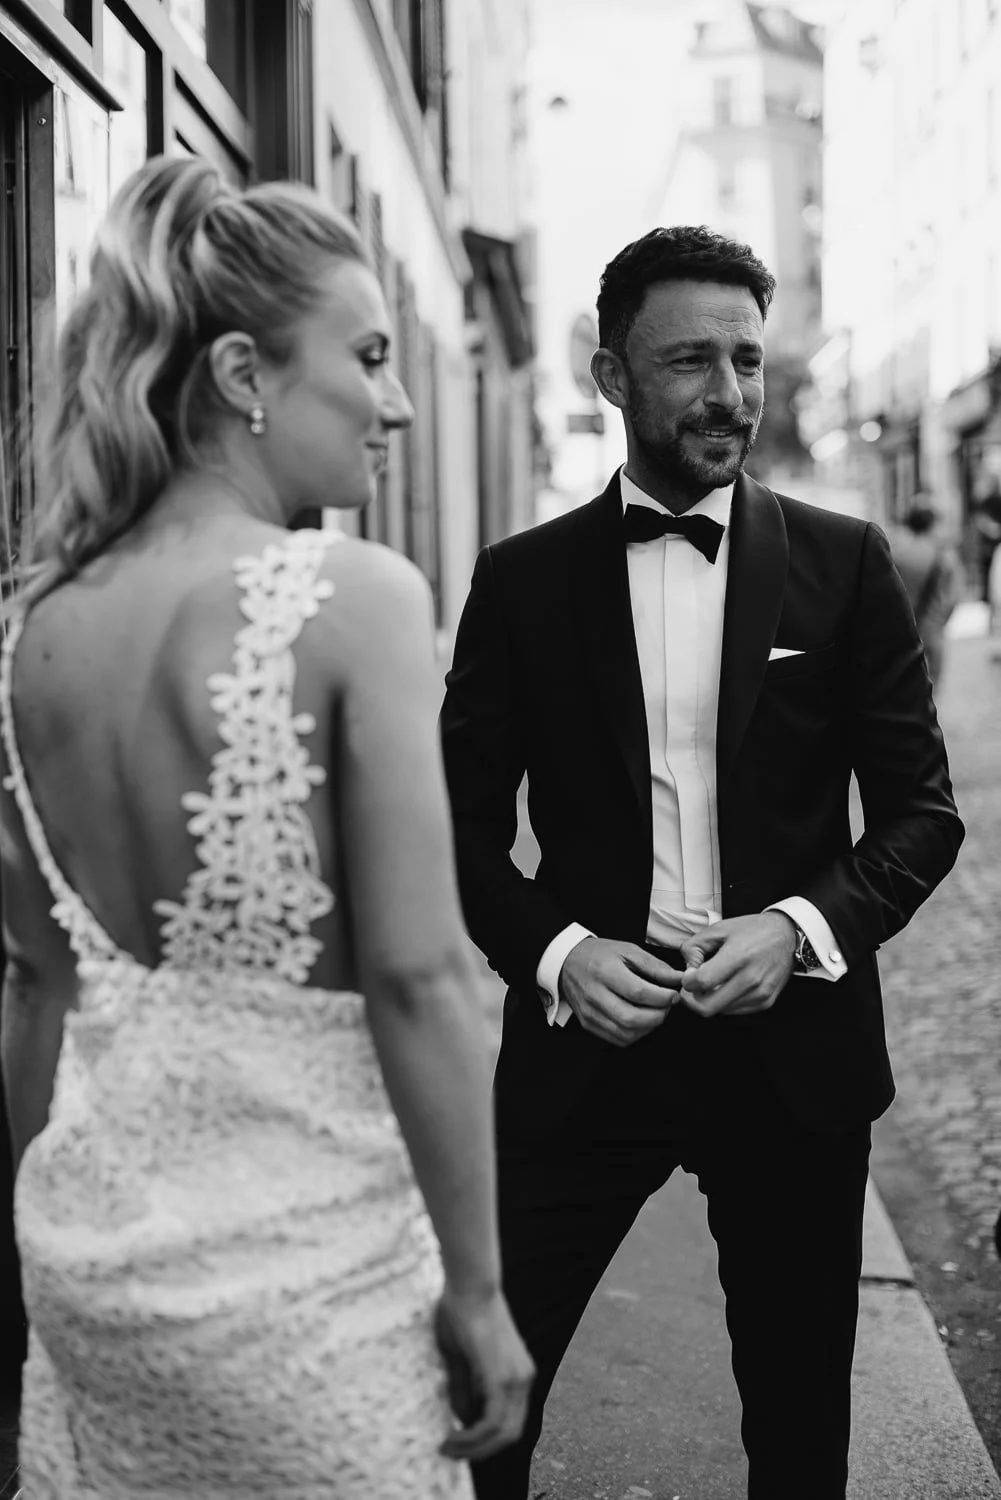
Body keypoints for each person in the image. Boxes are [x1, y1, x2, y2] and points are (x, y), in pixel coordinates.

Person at [0, 155, 532, 1498]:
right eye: (365, 353)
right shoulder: (358, 598)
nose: (398, 401)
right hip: (315, 1298)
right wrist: (477, 1290)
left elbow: (34, 991)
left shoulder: (25, 636)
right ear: (243, 375)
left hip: (92, 1282)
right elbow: (420, 982)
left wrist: (37, 1269)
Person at [440, 225, 964, 1499]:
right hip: (584, 1056)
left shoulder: (846, 567)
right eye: (688, 362)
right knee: (477, 1412)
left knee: (798, 1436)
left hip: (791, 1061)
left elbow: (920, 814)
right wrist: (560, 953)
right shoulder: (518, 583)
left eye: (745, 356)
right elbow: (448, 832)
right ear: (610, 378)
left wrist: (794, 926)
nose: (729, 392)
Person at [890, 499, 962, 685]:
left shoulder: (896, 552)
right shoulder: (944, 556)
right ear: (932, 524)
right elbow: (953, 597)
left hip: (901, 629)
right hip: (932, 629)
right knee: (931, 687)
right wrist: (939, 621)